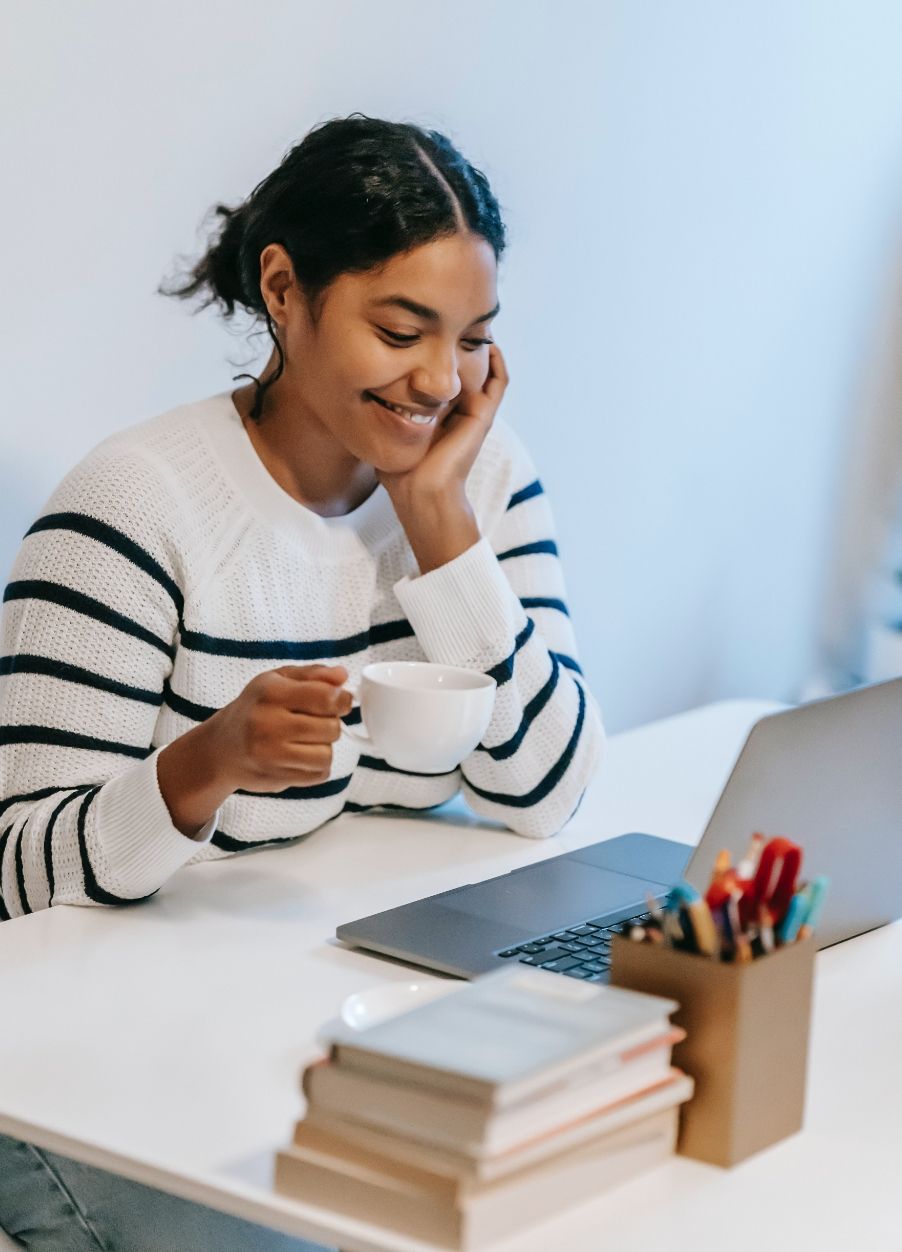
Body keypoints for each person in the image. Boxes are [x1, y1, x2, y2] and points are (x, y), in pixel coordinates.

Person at [0, 114, 604, 1248]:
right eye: (399, 328)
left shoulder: (479, 479)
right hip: (79, 1079)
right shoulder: (134, 508)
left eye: (473, 337)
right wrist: (202, 765)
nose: (441, 379)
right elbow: (15, 872)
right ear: (284, 290)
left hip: (303, 1025)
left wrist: (440, 532)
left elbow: (549, 792)